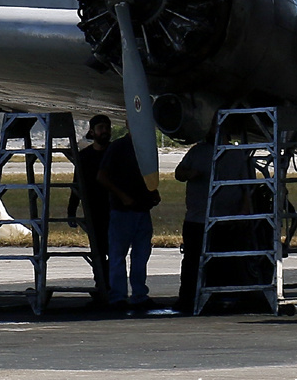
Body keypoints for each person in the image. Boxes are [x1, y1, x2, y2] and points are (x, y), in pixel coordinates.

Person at [173, 132, 251, 314]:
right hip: (197, 217)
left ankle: (222, 296)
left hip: (226, 218)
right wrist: (189, 173)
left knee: (225, 259)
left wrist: (243, 212)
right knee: (192, 259)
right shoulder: (197, 151)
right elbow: (179, 173)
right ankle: (188, 298)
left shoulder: (236, 155)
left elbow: (248, 187)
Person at [97, 133, 160, 312]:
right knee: (118, 255)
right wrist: (122, 196)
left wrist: (153, 192)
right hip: (122, 210)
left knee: (141, 255)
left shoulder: (146, 145)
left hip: (142, 208)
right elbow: (102, 176)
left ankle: (139, 294)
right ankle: (118, 296)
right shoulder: (118, 146)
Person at [67, 115, 112, 292]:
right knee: (98, 253)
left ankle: (115, 289)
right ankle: (102, 286)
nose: (105, 131)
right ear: (92, 132)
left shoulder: (115, 152)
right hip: (94, 210)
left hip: (115, 209)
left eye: (107, 127)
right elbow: (77, 183)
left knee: (115, 252)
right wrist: (72, 210)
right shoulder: (84, 156)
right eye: (101, 128)